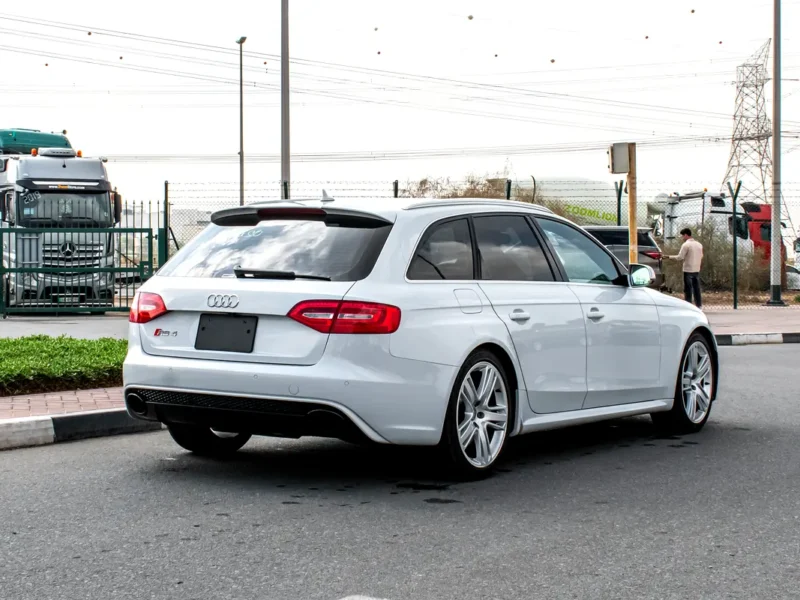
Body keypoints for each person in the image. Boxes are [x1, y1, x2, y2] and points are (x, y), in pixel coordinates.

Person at [668, 228, 704, 308]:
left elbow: (680, 257)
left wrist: (669, 257)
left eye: (682, 236)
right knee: (696, 289)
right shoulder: (699, 244)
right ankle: (699, 305)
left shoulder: (686, 245)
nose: (682, 238)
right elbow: (701, 256)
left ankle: (688, 306)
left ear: (686, 235)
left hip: (688, 269)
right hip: (696, 269)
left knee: (688, 289)